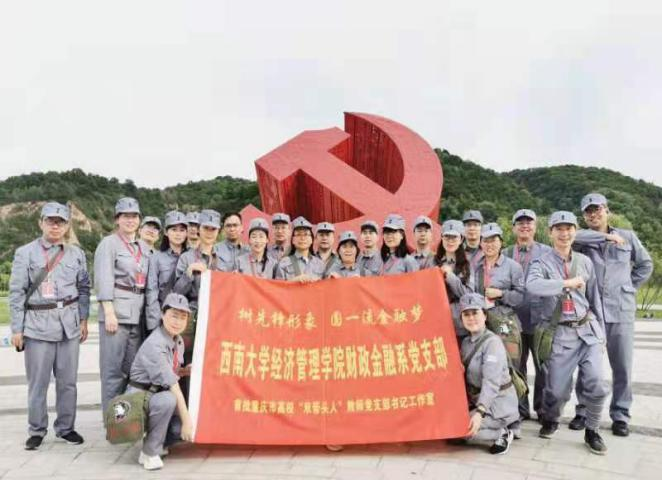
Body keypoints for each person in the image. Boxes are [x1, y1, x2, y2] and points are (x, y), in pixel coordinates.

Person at [568, 193, 653, 437]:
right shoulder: (583, 240)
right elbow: (573, 236)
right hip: (592, 312)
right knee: (587, 366)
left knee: (622, 366)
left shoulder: (628, 236)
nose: (593, 214)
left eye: (598, 209)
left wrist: (629, 286)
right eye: (588, 211)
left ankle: (621, 415)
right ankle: (583, 411)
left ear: (607, 210)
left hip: (621, 311)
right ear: (584, 216)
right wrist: (605, 236)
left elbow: (645, 264)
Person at [9, 202, 90, 450]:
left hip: (68, 325)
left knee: (68, 382)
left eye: (60, 222)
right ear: (41, 223)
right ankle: (36, 430)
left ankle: (66, 428)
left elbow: (84, 288)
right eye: (50, 221)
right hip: (37, 325)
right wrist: (17, 329)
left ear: (66, 226)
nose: (55, 226)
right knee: (38, 383)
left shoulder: (76, 254)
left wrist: (83, 318)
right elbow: (17, 292)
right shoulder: (25, 253)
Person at [527, 211, 609, 455]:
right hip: (561, 335)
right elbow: (533, 285)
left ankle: (592, 430)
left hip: (588, 331)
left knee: (596, 383)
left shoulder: (585, 262)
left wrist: (602, 334)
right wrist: (566, 283)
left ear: (575, 231)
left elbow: (594, 298)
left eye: (569, 228)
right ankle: (552, 418)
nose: (564, 233)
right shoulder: (540, 263)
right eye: (559, 229)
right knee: (556, 391)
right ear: (550, 232)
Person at [94, 197, 150, 414]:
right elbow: (104, 278)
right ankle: (111, 421)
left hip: (137, 315)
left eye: (134, 216)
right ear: (117, 219)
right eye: (125, 216)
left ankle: (126, 418)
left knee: (132, 371)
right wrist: (109, 312)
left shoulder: (143, 247)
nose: (130, 220)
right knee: (112, 372)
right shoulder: (109, 244)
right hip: (116, 316)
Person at [127, 293, 194, 471]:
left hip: (154, 396)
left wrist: (183, 371)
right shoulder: (155, 344)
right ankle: (150, 453)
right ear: (163, 315)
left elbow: (170, 371)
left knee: (177, 428)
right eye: (173, 316)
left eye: (183, 317)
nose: (177, 322)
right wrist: (187, 421)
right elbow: (173, 385)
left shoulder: (177, 340)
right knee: (169, 401)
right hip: (138, 399)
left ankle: (152, 445)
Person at [503, 209, 552, 422]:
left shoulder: (547, 252)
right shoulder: (505, 253)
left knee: (544, 366)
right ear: (513, 228)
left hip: (540, 318)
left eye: (528, 222)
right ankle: (520, 409)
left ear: (535, 227)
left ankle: (542, 408)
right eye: (520, 223)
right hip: (511, 320)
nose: (524, 226)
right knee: (515, 365)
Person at [458, 293, 518, 455]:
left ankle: (502, 433)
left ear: (484, 315)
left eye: (475, 313)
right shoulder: (466, 342)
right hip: (477, 401)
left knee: (462, 430)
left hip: (498, 404)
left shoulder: (492, 343)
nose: (471, 318)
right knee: (450, 427)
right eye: (466, 314)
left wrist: (479, 413)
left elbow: (491, 383)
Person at [173, 209, 224, 392]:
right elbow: (177, 293)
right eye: (206, 228)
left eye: (213, 229)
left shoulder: (224, 259)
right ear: (198, 229)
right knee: (188, 363)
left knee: (215, 362)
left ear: (218, 231)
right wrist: (189, 273)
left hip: (217, 318)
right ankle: (187, 406)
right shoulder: (186, 257)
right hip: (192, 316)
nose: (209, 232)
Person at [145, 211, 188, 333]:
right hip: (163, 314)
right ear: (166, 232)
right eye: (174, 230)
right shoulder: (156, 258)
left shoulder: (192, 257)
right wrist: (155, 322)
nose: (178, 234)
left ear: (186, 233)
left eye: (182, 230)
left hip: (185, 317)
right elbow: (151, 291)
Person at [433, 220, 473, 344]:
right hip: (437, 320)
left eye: (454, 237)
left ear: (461, 239)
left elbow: (468, 294)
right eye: (447, 237)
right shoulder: (432, 261)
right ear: (441, 238)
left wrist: (450, 276)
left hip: (459, 322)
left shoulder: (468, 263)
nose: (450, 241)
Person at [274, 217, 325, 282]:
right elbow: (278, 286)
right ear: (293, 240)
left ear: (312, 240)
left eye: (306, 234)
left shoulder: (320, 264)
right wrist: (294, 281)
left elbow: (326, 286)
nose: (302, 238)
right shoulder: (284, 263)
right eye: (298, 234)